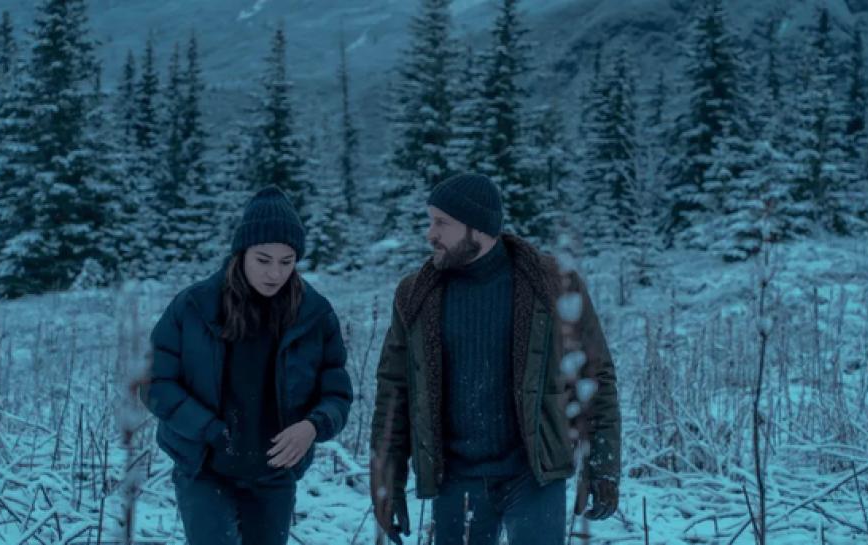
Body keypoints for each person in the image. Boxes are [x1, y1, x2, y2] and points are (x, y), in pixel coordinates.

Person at [370, 173, 621, 545]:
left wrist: (602, 467)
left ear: (479, 228)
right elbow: (394, 392)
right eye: (430, 221)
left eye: (441, 223)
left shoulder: (551, 284)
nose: (430, 234)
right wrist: (388, 483)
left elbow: (594, 376)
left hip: (534, 475)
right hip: (455, 479)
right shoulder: (416, 294)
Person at [140, 186, 353, 545]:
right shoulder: (194, 306)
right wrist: (207, 428)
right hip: (205, 468)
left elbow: (336, 393)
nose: (275, 273)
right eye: (263, 260)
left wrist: (313, 426)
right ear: (241, 254)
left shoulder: (314, 315)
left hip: (274, 475)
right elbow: (154, 382)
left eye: (287, 261)